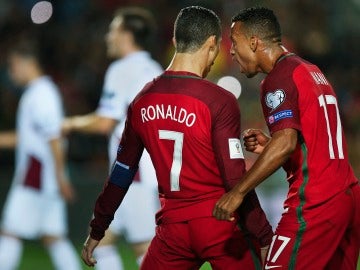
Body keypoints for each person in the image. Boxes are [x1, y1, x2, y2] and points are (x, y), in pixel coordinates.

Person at [81, 6, 274, 269]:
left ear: (175, 42)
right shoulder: (218, 100)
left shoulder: (142, 100)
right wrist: (262, 234)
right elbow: (234, 177)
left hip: (172, 231)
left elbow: (122, 171)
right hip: (219, 223)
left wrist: (97, 228)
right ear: (211, 44)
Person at [213, 6, 360, 269]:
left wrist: (238, 192)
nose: (232, 51)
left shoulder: (279, 78)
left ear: (254, 42)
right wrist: (271, 144)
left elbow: (286, 142)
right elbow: (313, 142)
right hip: (347, 195)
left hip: (316, 202)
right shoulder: (309, 69)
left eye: (235, 43)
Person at [62, 7, 162, 269]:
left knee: (144, 247)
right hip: (144, 172)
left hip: (133, 175)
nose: (108, 36)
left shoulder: (122, 69)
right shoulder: (154, 68)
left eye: (112, 29)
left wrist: (69, 123)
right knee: (101, 240)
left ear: (126, 34)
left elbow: (105, 121)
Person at [0, 41, 81, 270]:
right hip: (45, 178)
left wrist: (61, 177)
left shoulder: (42, 93)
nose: (11, 71)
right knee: (53, 237)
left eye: (13, 65)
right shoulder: (39, 92)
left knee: (9, 232)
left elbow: (54, 137)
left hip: (36, 177)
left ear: (28, 63)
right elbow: (27, 138)